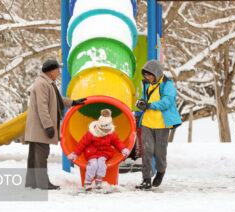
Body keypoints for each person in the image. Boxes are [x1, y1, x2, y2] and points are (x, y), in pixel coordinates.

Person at [25, 59, 86, 190]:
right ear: (50, 71)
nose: (59, 71)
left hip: (38, 127)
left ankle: (33, 181)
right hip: (40, 127)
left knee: (35, 155)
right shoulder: (42, 84)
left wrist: (73, 102)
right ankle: (42, 183)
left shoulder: (47, 83)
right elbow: (42, 107)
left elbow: (57, 99)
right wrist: (48, 126)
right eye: (57, 69)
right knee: (41, 155)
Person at [135, 60, 182, 190]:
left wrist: (150, 105)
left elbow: (167, 102)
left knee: (159, 152)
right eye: (145, 75)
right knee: (147, 151)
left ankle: (160, 171)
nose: (148, 77)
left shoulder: (167, 85)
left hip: (162, 123)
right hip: (147, 122)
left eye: (150, 75)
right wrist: (141, 103)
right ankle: (146, 179)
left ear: (157, 73)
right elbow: (145, 99)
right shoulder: (146, 84)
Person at [67, 109, 131, 190]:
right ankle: (88, 181)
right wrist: (75, 154)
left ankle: (98, 179)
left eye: (108, 129)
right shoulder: (92, 132)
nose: (106, 131)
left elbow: (117, 142)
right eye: (105, 129)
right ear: (100, 127)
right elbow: (82, 144)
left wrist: (123, 149)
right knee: (93, 165)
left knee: (101, 164)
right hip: (92, 153)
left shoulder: (110, 133)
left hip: (104, 152)